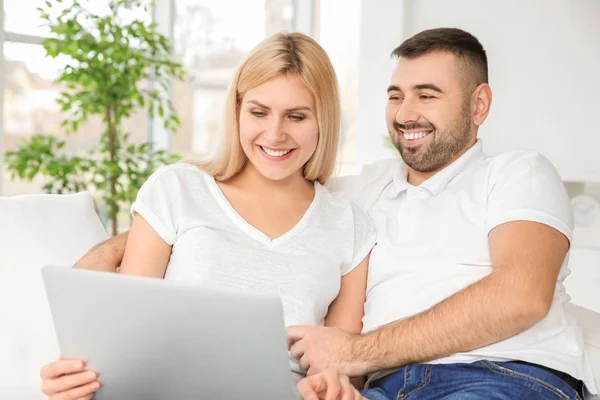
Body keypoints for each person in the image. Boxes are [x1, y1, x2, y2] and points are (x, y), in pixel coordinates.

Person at [39, 32, 373, 400]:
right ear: (237, 111)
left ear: (323, 121)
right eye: (258, 112)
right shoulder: (178, 189)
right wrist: (78, 383)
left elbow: (347, 372)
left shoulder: (348, 222)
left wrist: (333, 389)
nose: (275, 134)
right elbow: (128, 339)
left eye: (296, 116)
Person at [287, 28, 597, 399]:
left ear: (478, 104)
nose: (405, 114)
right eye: (396, 97)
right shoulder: (363, 189)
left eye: (427, 95)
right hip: (383, 389)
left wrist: (355, 353)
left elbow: (521, 296)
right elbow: (272, 192)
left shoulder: (517, 173)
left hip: (500, 376)